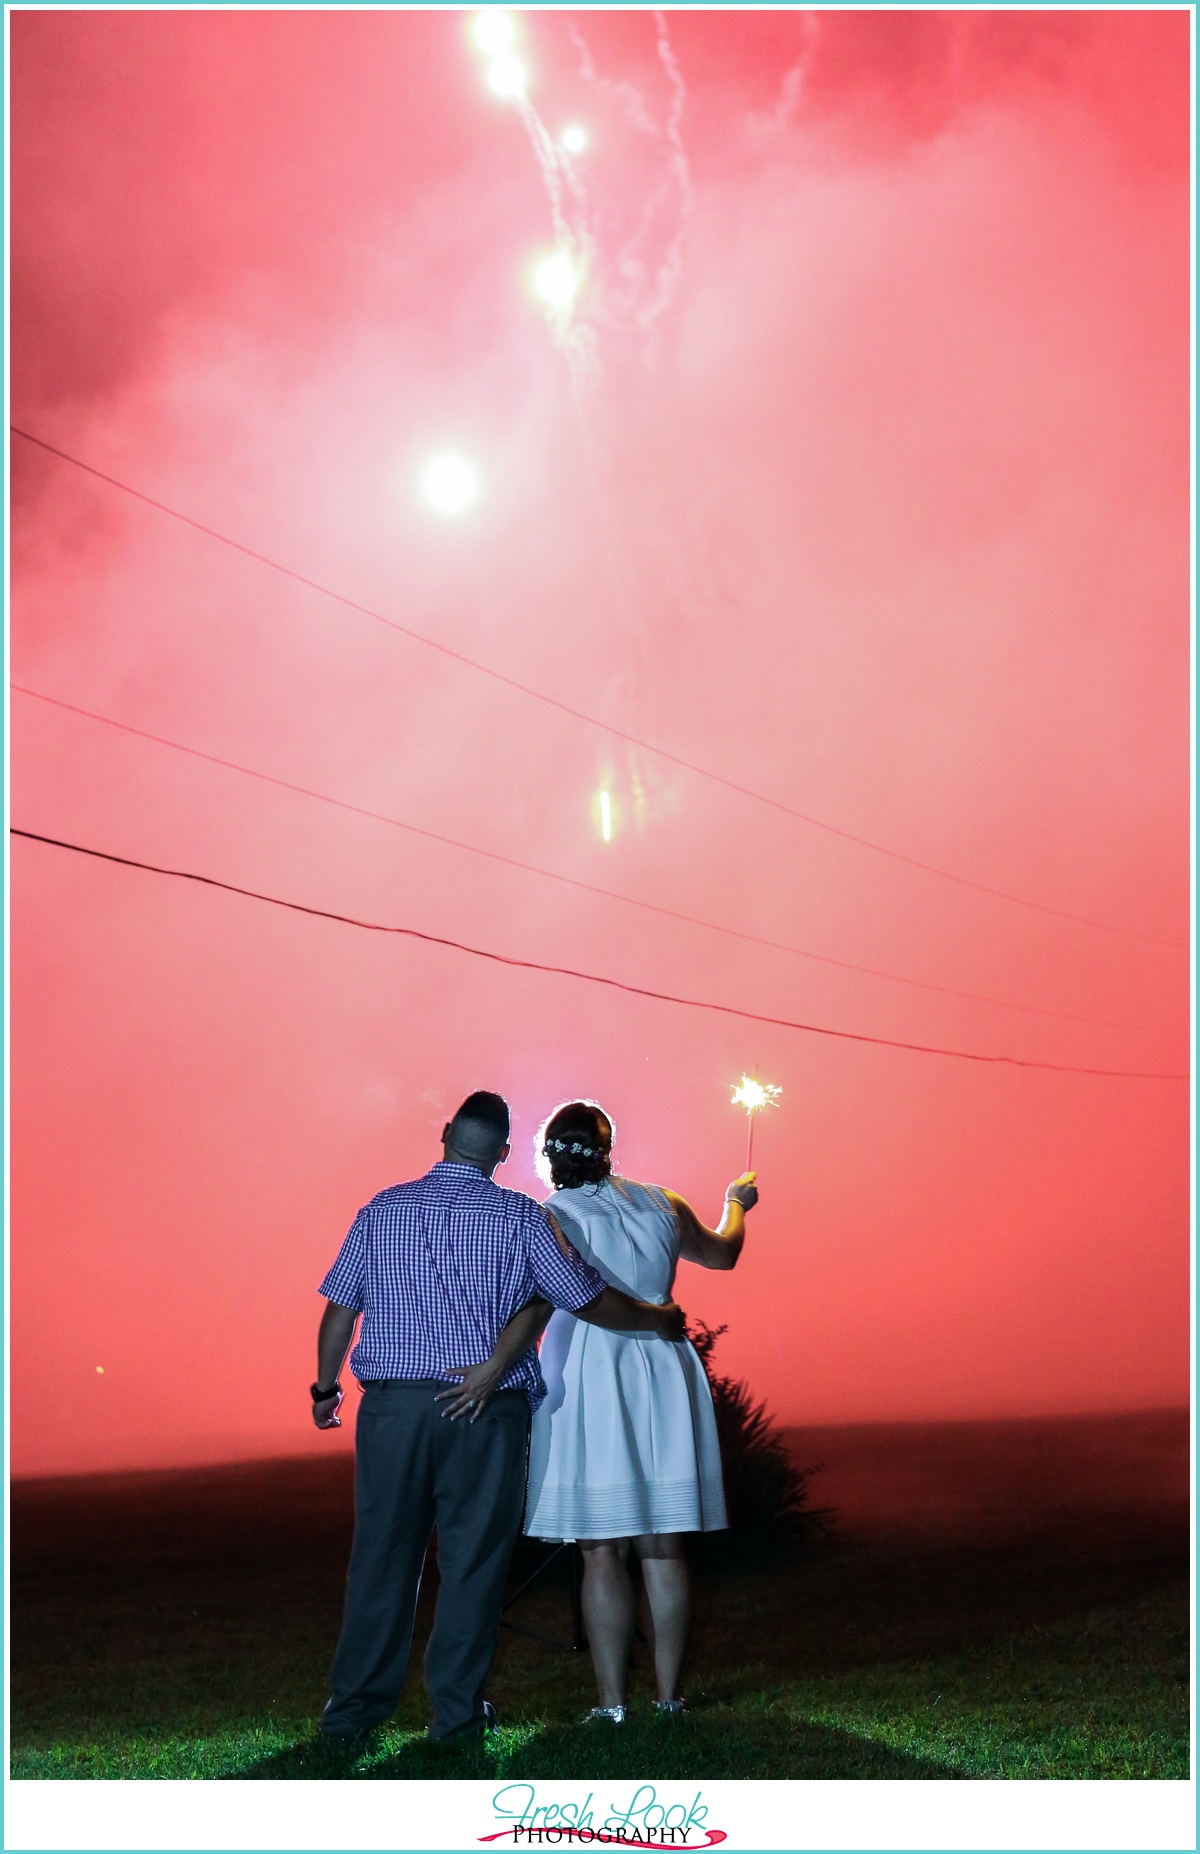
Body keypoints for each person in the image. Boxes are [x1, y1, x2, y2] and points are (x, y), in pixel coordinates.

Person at [312, 1090, 686, 1744]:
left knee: (380, 1560)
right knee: (473, 1564)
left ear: (447, 1132)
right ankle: (454, 1718)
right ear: (505, 1153)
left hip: (394, 1410)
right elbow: (583, 1299)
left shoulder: (382, 1209)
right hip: (484, 1411)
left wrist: (324, 1388)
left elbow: (341, 1308)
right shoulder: (519, 1218)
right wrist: (655, 1319)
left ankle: (352, 1715)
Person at [518, 1099, 757, 1723]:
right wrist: (735, 1202)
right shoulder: (664, 1201)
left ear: (551, 1154)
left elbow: (549, 1301)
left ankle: (613, 1705)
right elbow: (724, 1254)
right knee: (663, 1543)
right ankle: (669, 1698)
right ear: (608, 1147)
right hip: (664, 1361)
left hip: (591, 1365)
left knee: (602, 1548)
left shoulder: (551, 1218)